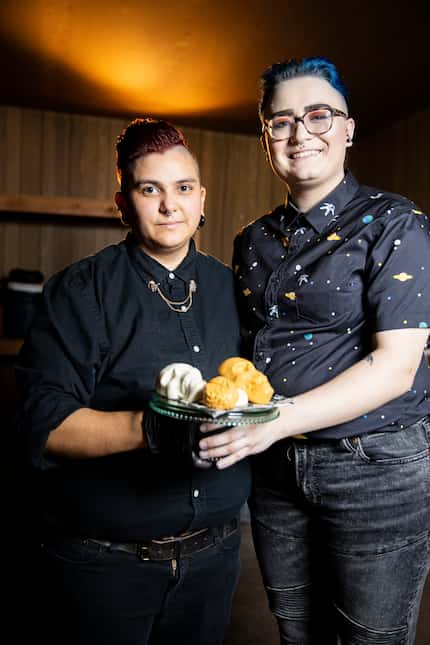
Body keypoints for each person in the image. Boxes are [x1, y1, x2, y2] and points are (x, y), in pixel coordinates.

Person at [198, 57, 430, 644]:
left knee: (369, 638)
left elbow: (396, 368)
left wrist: (273, 421)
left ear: (348, 127)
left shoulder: (396, 223)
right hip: (275, 469)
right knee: (297, 630)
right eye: (281, 121)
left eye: (319, 115)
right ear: (266, 136)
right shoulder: (251, 240)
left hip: (375, 466)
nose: (300, 133)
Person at [14, 118, 251, 645]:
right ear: (123, 203)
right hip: (103, 566)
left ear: (202, 197)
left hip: (214, 560)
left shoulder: (232, 288)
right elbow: (41, 423)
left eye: (183, 188)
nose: (171, 205)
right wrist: (153, 428)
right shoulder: (79, 291)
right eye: (151, 189)